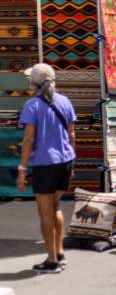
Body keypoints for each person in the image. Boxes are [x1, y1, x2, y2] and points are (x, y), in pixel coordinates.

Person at [16, 64, 76, 274]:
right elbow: (72, 136)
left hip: (45, 163)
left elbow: (29, 138)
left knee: (45, 213)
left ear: (35, 83)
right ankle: (59, 252)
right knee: (55, 206)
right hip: (65, 162)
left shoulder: (32, 105)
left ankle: (52, 260)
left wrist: (22, 168)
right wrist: (72, 163)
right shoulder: (65, 101)